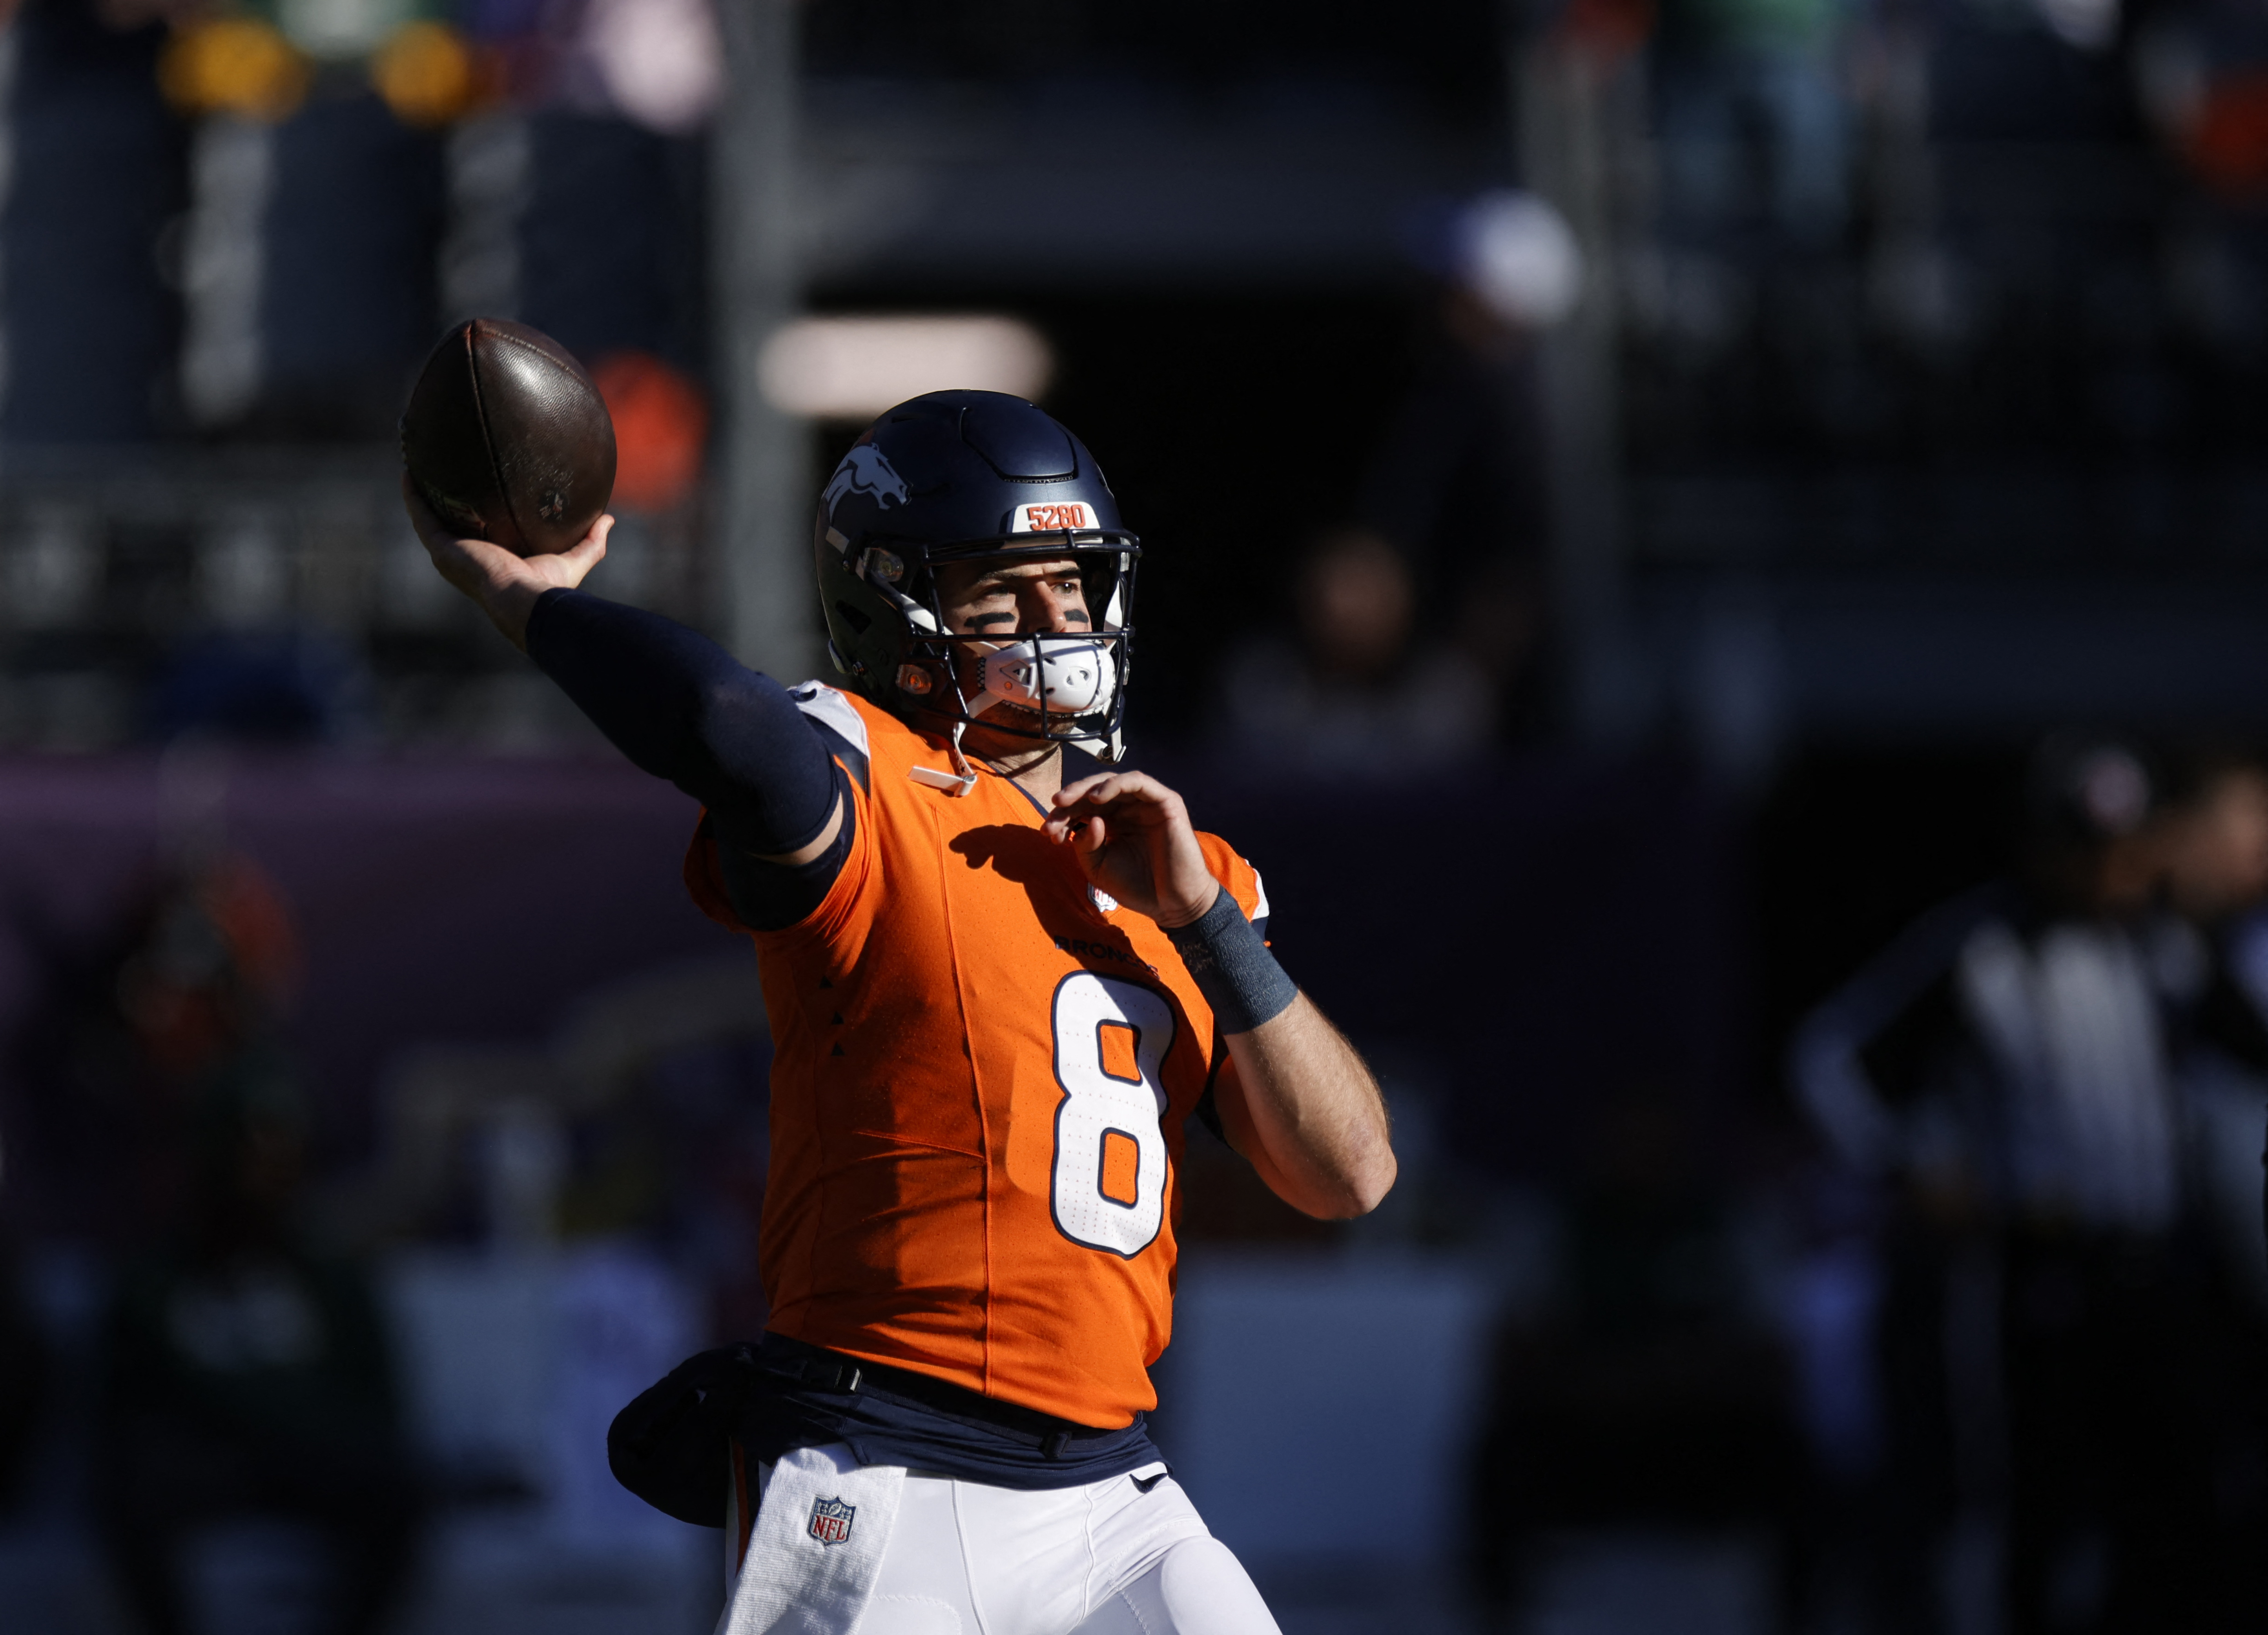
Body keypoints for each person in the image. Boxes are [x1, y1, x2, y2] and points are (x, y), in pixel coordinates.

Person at [403, 390, 1397, 1635]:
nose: (1055, 619)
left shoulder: (1186, 869)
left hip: (1109, 1487)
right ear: (896, 608)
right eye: (1002, 588)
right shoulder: (869, 778)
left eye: (1071, 581)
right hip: (880, 1471)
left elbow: (1347, 1173)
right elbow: (728, 721)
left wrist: (1201, 919)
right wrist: (531, 601)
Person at [1791, 732, 2250, 1633]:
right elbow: (1831, 1063)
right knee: (2025, 1495)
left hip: (2155, 1264)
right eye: (2094, 853)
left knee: (2175, 1490)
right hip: (2037, 1266)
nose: (2117, 873)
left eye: (2130, 850)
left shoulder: (2164, 950)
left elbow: (2244, 1049)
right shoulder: (1985, 950)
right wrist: (1915, 1167)